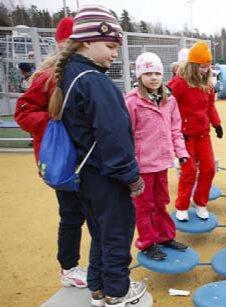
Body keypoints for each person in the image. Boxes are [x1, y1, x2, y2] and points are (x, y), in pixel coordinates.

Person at [47, 5, 147, 305]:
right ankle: (117, 292)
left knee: (100, 231)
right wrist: (131, 178)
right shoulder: (94, 80)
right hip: (107, 175)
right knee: (116, 233)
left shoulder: (71, 75)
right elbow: (114, 138)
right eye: (110, 46)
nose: (114, 53)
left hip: (86, 175)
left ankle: (98, 287)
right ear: (87, 41)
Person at [14, 15, 91, 293]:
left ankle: (94, 264)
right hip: (64, 162)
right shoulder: (48, 77)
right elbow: (23, 112)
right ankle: (68, 268)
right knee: (72, 215)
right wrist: (53, 123)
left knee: (91, 212)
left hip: (85, 159)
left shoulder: (86, 73)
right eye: (74, 43)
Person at [125, 52, 189, 260]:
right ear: (140, 76)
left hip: (162, 162)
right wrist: (130, 164)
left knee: (161, 201)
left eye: (157, 73)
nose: (153, 77)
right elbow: (126, 135)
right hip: (142, 166)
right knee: (144, 206)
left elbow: (175, 129)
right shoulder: (132, 102)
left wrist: (181, 153)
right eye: (148, 73)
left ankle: (165, 236)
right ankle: (147, 242)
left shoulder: (169, 100)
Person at [168, 41, 223, 221]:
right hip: (185, 136)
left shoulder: (208, 86)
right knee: (189, 170)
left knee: (208, 169)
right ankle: (182, 206)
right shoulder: (179, 83)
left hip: (203, 135)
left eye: (207, 67)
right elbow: (167, 102)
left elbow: (210, 107)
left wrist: (217, 124)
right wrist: (175, 129)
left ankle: (200, 202)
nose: (205, 70)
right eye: (202, 67)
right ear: (192, 65)